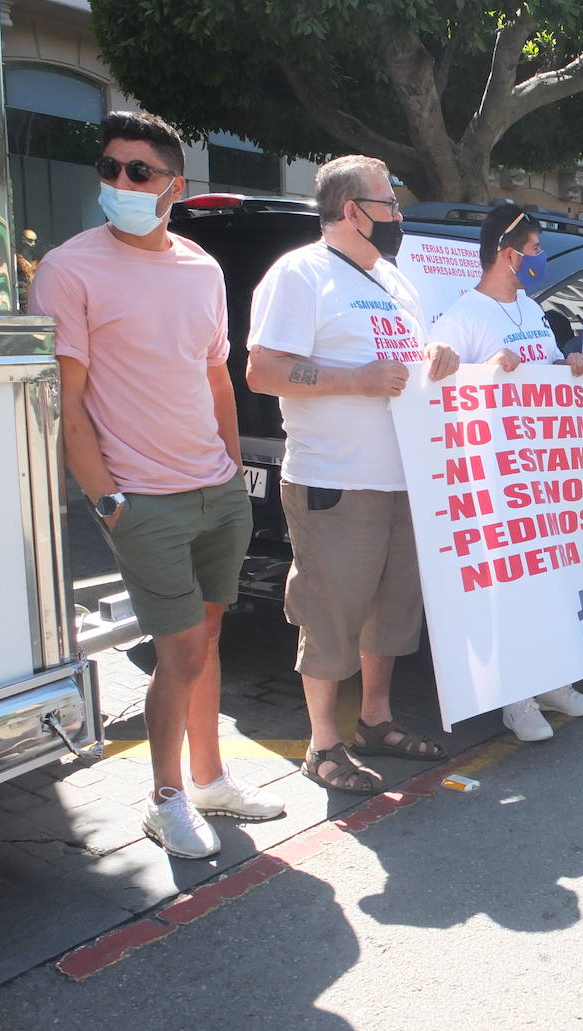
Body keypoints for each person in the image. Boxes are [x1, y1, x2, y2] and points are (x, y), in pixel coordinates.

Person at [31, 111, 282, 860]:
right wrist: (109, 501)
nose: (120, 182)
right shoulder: (70, 269)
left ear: (175, 184)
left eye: (138, 171)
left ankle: (209, 779)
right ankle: (165, 799)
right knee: (179, 654)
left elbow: (216, 378)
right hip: (141, 501)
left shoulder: (201, 268)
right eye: (109, 168)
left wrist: (231, 474)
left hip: (216, 491)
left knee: (207, 641)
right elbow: (67, 405)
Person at [246, 154, 460, 795]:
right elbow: (263, 371)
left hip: (402, 478)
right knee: (331, 614)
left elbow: (406, 359)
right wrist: (355, 381)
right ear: (351, 210)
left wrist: (434, 353)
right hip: (336, 480)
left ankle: (375, 722)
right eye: (388, 203)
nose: (398, 214)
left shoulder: (394, 279)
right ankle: (323, 746)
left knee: (390, 613)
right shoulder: (301, 274)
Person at [428, 204, 583, 742]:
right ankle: (515, 700)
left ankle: (553, 682)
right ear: (508, 255)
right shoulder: (464, 315)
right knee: (508, 592)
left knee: (550, 584)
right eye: (535, 249)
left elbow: (542, 373)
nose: (540, 258)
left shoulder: (528, 307)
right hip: (496, 482)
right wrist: (485, 369)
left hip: (543, 473)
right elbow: (437, 386)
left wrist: (568, 366)